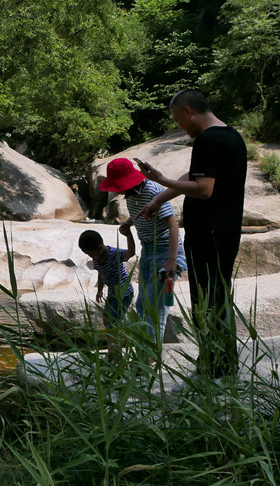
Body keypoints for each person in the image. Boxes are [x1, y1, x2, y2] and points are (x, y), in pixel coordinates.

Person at [136, 89, 247, 380]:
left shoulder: (208, 140)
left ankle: (215, 367)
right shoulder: (231, 135)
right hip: (225, 232)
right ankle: (222, 361)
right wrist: (160, 198)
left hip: (208, 233)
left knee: (205, 300)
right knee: (218, 296)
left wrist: (159, 179)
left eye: (179, 121)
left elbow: (204, 189)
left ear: (188, 111)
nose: (180, 127)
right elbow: (194, 177)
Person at [99, 158, 187, 343]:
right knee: (143, 304)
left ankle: (152, 356)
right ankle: (148, 350)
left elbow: (173, 226)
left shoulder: (152, 191)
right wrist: (129, 223)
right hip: (147, 250)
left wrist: (171, 260)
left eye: (117, 185)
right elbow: (141, 211)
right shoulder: (132, 195)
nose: (116, 190)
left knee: (155, 306)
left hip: (165, 252)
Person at [78, 229, 136, 341]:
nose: (90, 256)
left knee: (113, 322)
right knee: (107, 320)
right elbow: (101, 273)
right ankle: (115, 346)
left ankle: (115, 350)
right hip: (112, 293)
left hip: (124, 292)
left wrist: (128, 233)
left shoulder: (114, 254)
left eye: (90, 253)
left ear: (100, 247)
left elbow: (131, 253)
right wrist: (99, 290)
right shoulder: (96, 259)